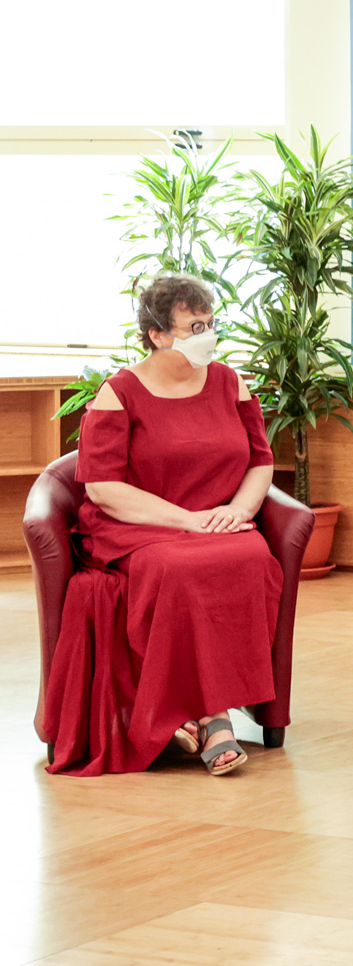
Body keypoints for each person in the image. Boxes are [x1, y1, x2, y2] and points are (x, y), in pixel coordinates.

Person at [49, 274, 283, 776]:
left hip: (216, 521)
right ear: (157, 334)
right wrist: (187, 521)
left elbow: (260, 461)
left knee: (253, 557)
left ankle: (197, 714)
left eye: (210, 323)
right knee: (176, 570)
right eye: (194, 326)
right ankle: (211, 718)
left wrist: (239, 510)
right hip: (139, 525)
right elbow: (103, 488)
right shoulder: (119, 393)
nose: (207, 334)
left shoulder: (229, 382)